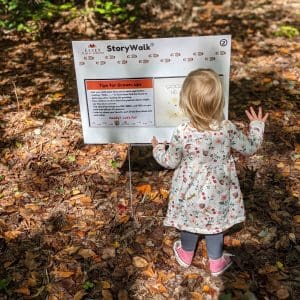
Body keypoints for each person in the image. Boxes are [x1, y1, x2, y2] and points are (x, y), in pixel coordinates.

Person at [151, 69, 268, 276]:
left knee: (189, 221)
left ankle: (186, 253)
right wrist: (257, 126)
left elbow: (170, 162)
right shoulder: (226, 128)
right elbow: (250, 148)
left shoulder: (181, 131)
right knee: (216, 223)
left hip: (188, 191)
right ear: (219, 102)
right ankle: (216, 261)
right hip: (218, 191)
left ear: (185, 103)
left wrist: (158, 149)